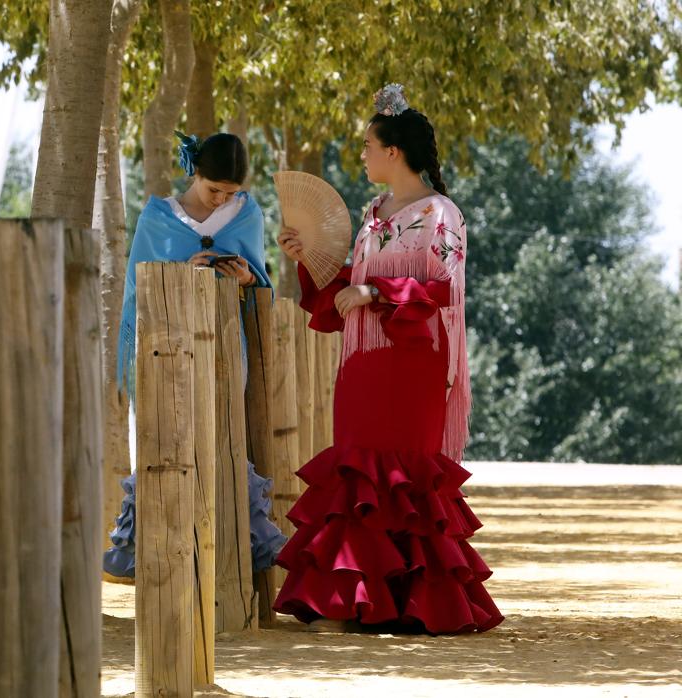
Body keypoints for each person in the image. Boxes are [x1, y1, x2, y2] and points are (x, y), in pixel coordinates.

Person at [272, 84, 503, 633]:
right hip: (363, 360)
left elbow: (445, 288)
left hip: (414, 360)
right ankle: (351, 601)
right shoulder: (373, 212)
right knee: (356, 464)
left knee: (406, 469)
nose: (362, 155)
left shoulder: (442, 213)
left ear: (393, 152)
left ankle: (414, 605)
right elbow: (350, 284)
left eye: (368, 146)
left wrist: (374, 292)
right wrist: (308, 259)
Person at [104, 131, 287, 579]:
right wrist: (181, 272)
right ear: (195, 174)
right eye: (213, 189)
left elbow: (262, 280)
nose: (221, 199)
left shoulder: (248, 214)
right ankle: (158, 557)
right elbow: (138, 285)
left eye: (229, 192)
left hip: (225, 346)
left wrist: (246, 278)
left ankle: (227, 555)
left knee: (222, 433)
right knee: (167, 435)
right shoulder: (156, 218)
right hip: (165, 348)